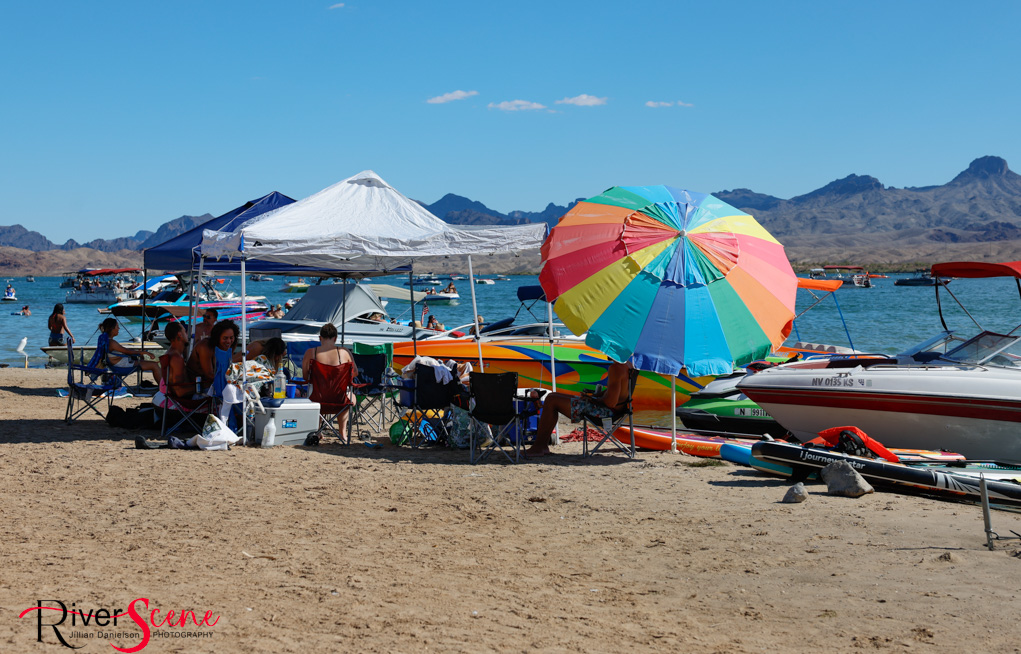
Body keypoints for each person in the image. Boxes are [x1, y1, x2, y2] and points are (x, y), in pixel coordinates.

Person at [523, 360, 632, 458]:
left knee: (552, 401)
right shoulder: (628, 365)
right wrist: (595, 396)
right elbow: (616, 392)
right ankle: (541, 446)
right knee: (552, 396)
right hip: (615, 411)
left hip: (605, 412)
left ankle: (539, 447)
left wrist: (593, 399)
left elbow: (610, 402)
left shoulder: (616, 368)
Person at [302, 323, 359, 437]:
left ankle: (317, 431)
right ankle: (342, 432)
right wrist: (339, 380)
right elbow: (355, 373)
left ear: (320, 338)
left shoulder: (311, 352)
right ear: (335, 338)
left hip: (317, 399)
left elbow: (305, 377)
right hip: (339, 400)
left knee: (313, 391)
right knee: (350, 397)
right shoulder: (345, 352)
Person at [99, 317, 161, 383]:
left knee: (142, 359)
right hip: (122, 366)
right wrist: (145, 353)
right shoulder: (112, 342)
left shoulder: (106, 340)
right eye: (117, 326)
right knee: (154, 365)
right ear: (112, 328)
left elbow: (123, 350)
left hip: (118, 364)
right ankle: (163, 389)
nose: (119, 328)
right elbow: (128, 352)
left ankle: (161, 387)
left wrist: (139, 352)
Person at [188, 319, 239, 393]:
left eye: (231, 338)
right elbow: (209, 375)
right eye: (225, 338)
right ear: (217, 337)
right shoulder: (205, 347)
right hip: (199, 387)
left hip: (218, 382)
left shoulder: (232, 344)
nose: (229, 341)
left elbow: (228, 365)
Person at [162, 321, 197, 400]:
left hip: (173, 396)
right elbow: (179, 391)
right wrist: (201, 387)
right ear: (180, 335)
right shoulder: (176, 358)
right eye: (185, 331)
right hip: (183, 402)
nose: (187, 334)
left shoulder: (171, 352)